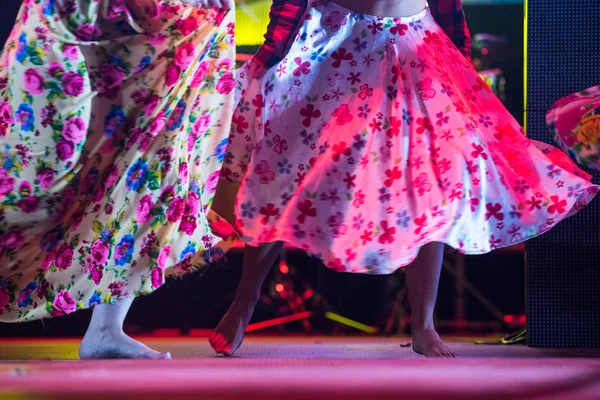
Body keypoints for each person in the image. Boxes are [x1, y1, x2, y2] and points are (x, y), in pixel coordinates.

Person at [209, 0, 598, 357]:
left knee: (430, 181)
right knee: (287, 172)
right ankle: (244, 301)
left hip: (417, 42)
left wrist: (460, 60)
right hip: (337, 38)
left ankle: (424, 325)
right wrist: (274, 49)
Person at [0, 0, 236, 359]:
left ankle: (106, 328)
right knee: (46, 176)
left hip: (175, 33)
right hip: (90, 23)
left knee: (153, 168)